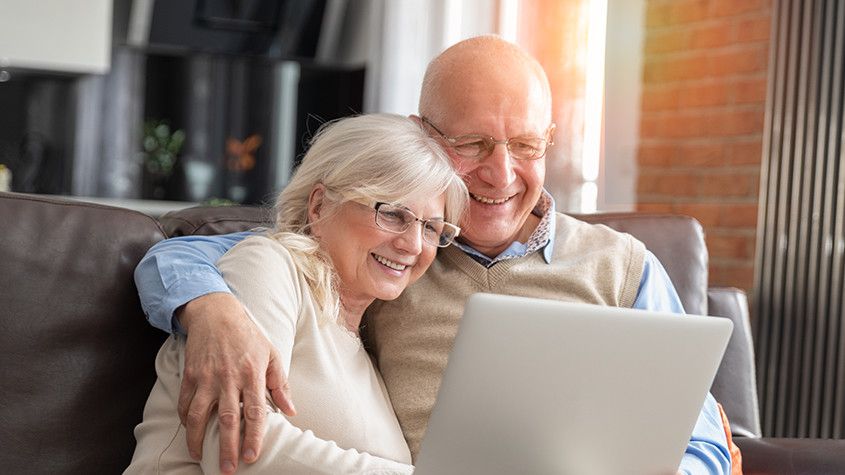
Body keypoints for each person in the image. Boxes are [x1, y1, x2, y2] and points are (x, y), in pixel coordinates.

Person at [135, 36, 733, 474]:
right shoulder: (378, 257)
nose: (502, 173)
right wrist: (207, 306)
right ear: (425, 135)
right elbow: (191, 254)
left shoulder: (626, 267)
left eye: (526, 145)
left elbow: (701, 441)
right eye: (472, 144)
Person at [126, 113, 467, 473]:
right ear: (319, 206)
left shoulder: (362, 338)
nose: (413, 245)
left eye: (431, 228)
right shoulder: (267, 265)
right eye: (394, 214)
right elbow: (239, 451)